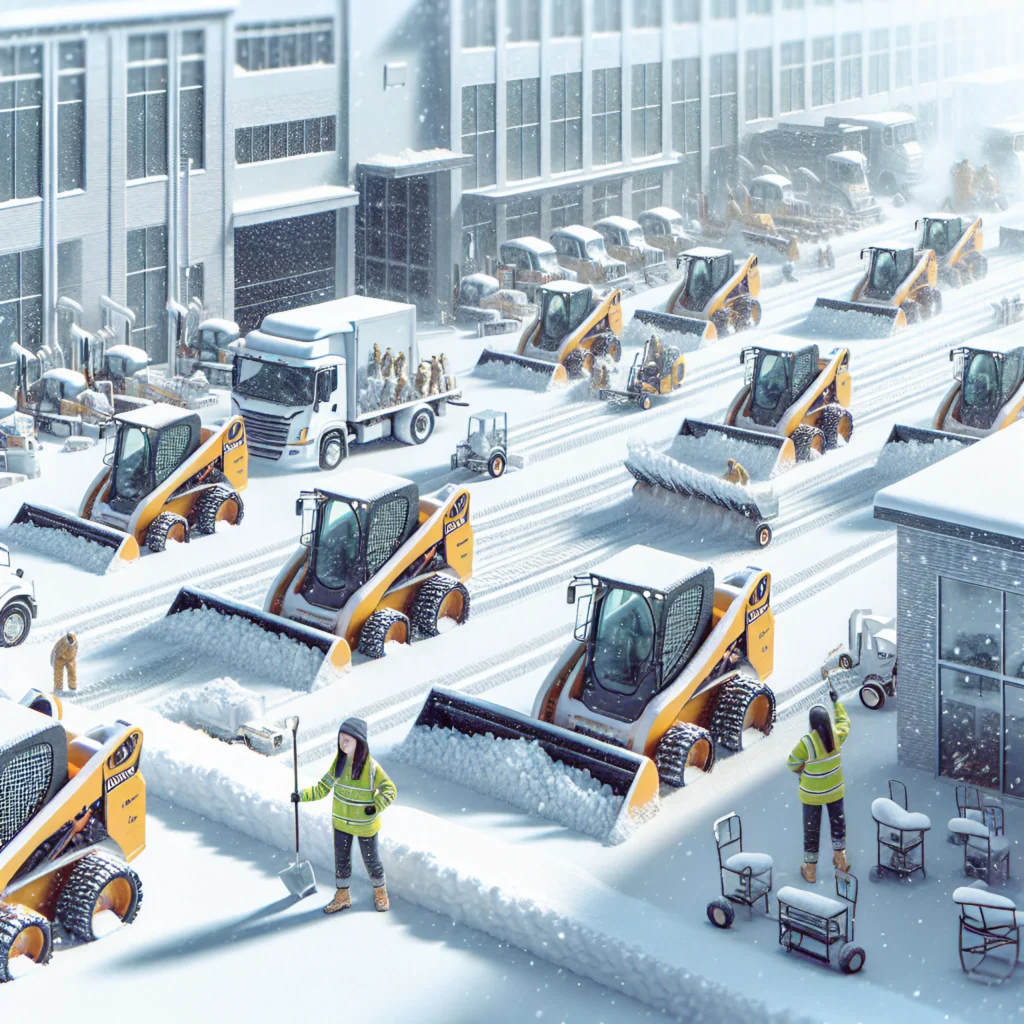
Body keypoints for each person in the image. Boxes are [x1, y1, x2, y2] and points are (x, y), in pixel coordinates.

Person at [293, 717, 397, 914]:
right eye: (340, 739)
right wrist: (301, 796)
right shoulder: (338, 764)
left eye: (347, 740)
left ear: (359, 742)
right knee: (341, 861)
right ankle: (343, 896)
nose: (342, 744)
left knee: (371, 860)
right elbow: (322, 788)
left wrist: (375, 807)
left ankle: (380, 892)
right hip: (341, 824)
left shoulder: (372, 768)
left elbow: (390, 790)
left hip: (366, 825)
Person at [788, 682, 850, 883]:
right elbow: (844, 722)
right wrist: (836, 703)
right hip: (834, 791)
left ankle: (811, 870)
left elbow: (792, 763)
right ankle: (840, 862)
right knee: (837, 823)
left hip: (811, 795)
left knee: (811, 830)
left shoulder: (807, 742)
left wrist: (804, 771)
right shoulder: (837, 736)